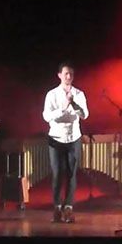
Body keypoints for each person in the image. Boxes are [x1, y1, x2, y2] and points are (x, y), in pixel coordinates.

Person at [42, 62, 89, 223]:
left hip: (74, 137)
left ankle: (68, 207)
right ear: (59, 75)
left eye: (71, 74)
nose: (69, 77)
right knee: (57, 173)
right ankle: (56, 207)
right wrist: (63, 107)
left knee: (71, 173)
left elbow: (85, 115)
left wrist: (73, 103)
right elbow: (46, 116)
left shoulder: (79, 93)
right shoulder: (52, 94)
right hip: (55, 138)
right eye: (66, 74)